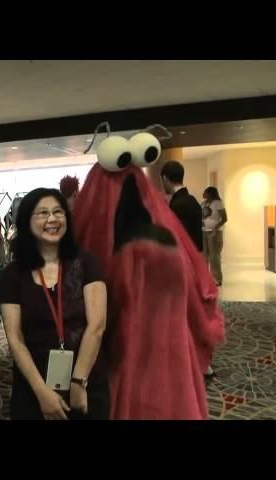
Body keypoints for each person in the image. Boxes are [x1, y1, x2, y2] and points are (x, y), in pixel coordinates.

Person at [74, 128, 225, 419]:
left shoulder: (126, 253)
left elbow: (111, 315)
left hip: (133, 361)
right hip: (175, 357)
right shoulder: (169, 242)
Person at [0, 187, 109, 420]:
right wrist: (41, 392)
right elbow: (14, 338)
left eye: (58, 212)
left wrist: (79, 381)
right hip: (34, 383)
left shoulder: (86, 262)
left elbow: (97, 326)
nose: (52, 219)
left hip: (86, 378)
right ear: (26, 221)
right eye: (42, 213)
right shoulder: (13, 274)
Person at [160, 160, 203, 252]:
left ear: (165, 178)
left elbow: (176, 238)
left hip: (184, 258)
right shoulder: (192, 200)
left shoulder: (177, 204)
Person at [202, 186, 227, 287]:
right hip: (204, 231)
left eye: (205, 192)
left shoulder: (218, 203)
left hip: (215, 232)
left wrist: (215, 228)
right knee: (204, 256)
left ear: (210, 193)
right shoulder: (203, 204)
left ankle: (216, 278)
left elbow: (224, 218)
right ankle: (205, 278)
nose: (203, 194)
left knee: (214, 256)